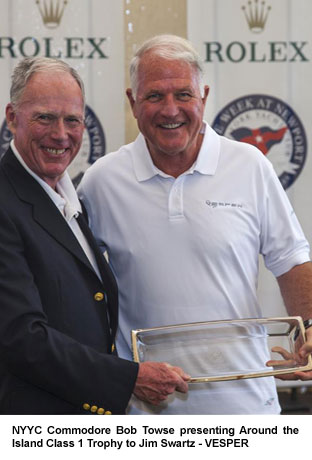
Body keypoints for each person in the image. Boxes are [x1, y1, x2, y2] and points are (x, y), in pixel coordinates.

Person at [78, 35, 312, 415]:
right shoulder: (101, 182)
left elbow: (291, 259)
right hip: (146, 416)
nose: (171, 109)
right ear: (132, 101)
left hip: (247, 409)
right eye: (154, 96)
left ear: (203, 97)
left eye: (183, 95)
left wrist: (310, 328)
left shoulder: (249, 165)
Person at [0, 56, 189, 415]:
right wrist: (127, 379)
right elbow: (19, 338)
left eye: (72, 120)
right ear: (12, 117)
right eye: (44, 117)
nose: (60, 134)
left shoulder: (68, 198)